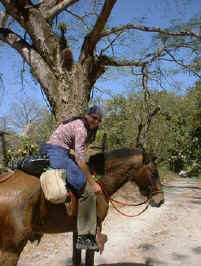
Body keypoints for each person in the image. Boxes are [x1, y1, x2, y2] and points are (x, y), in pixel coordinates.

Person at [39, 105, 103, 250]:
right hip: (57, 153)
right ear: (87, 115)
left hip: (48, 150)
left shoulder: (73, 122)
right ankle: (85, 238)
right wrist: (93, 183)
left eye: (99, 120)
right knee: (87, 191)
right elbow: (81, 161)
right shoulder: (81, 129)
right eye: (94, 118)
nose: (96, 122)